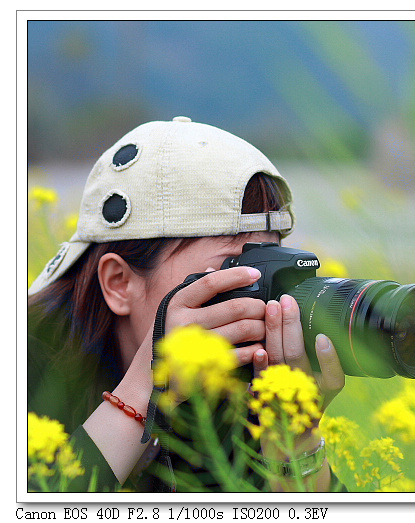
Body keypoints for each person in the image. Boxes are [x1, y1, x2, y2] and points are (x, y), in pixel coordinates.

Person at [27, 116, 346, 492]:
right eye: (231, 273)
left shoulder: (229, 400)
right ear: (119, 284)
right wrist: (148, 385)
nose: (256, 305)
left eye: (267, 275)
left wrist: (293, 443)